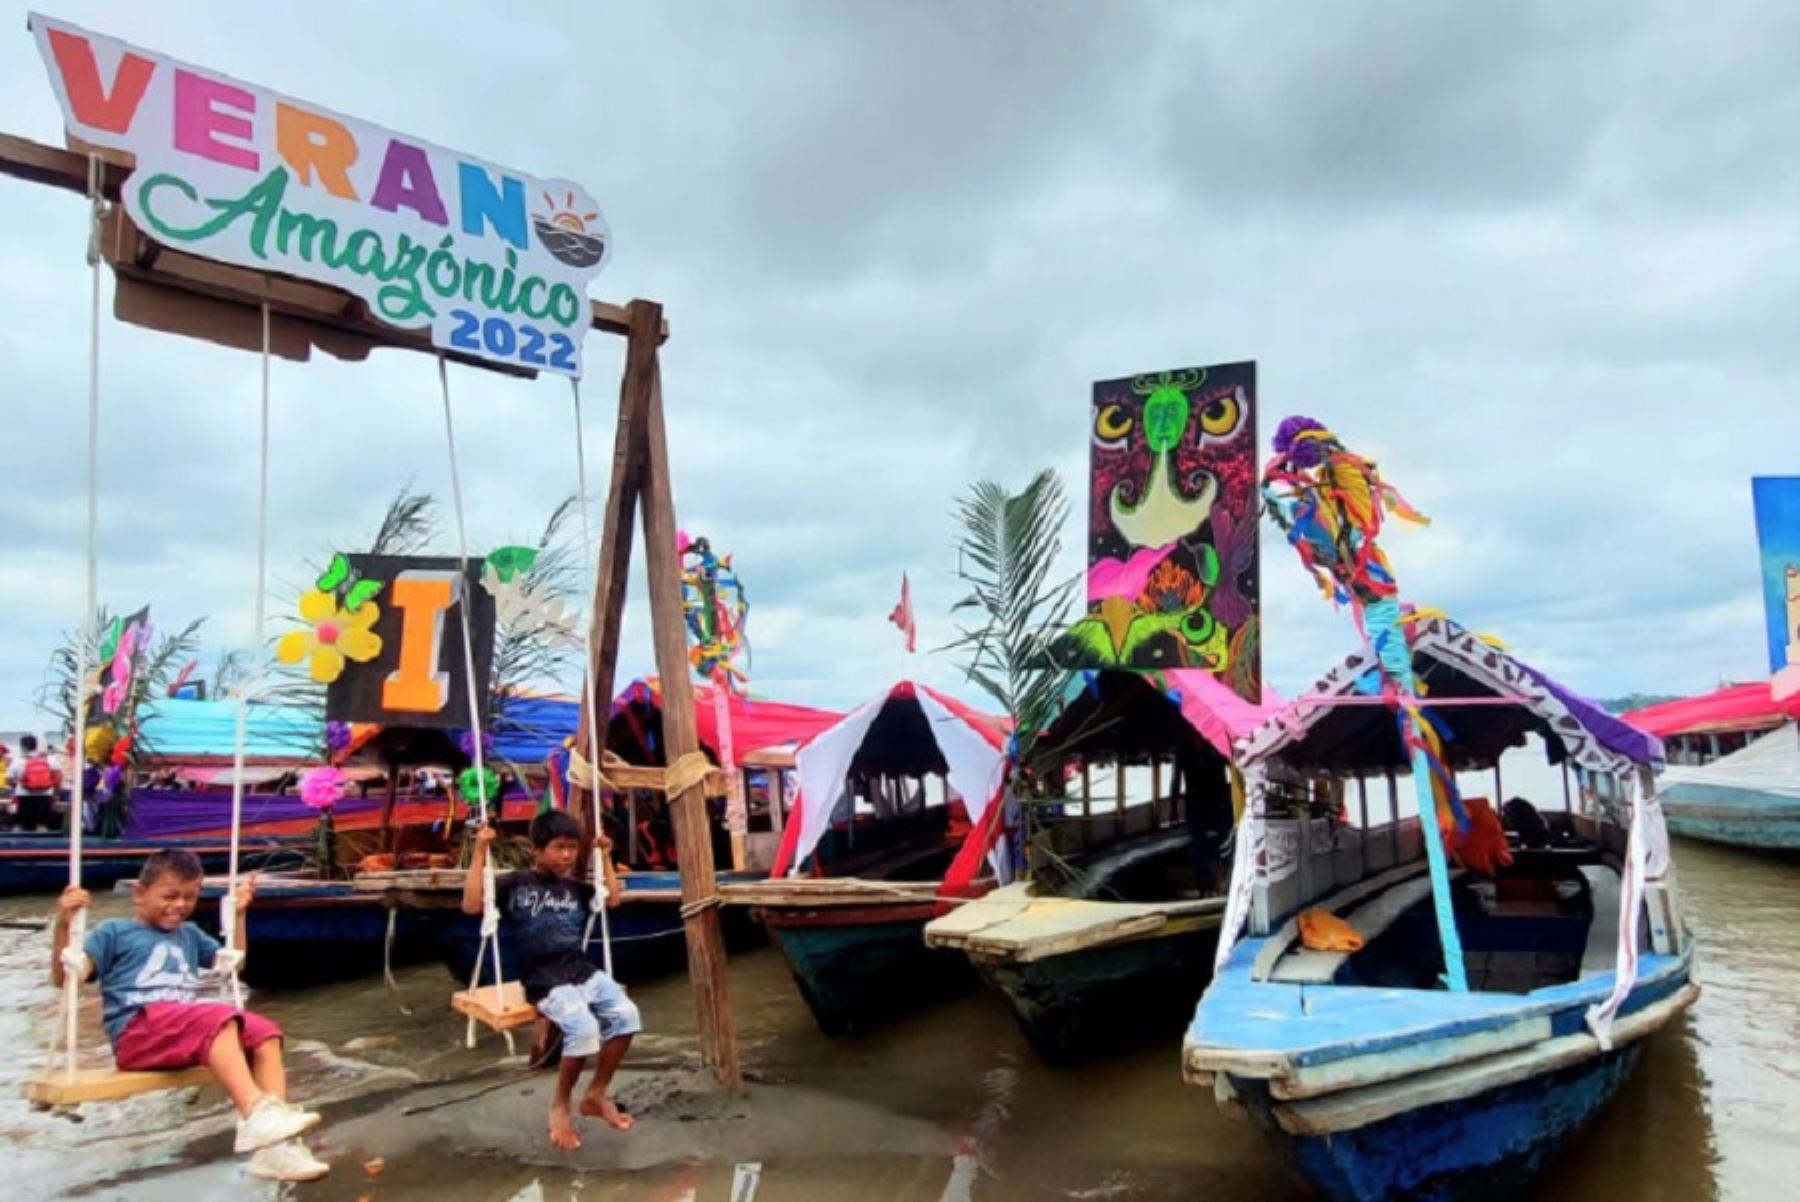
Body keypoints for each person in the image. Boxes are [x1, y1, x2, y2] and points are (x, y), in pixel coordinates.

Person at [52, 849, 330, 1182]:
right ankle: (257, 1112)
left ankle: (275, 1150)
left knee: (264, 1032)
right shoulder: (114, 932)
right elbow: (65, 978)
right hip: (137, 1033)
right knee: (214, 1017)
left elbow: (232, 965)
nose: (180, 905)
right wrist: (63, 924)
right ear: (140, 894)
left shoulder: (190, 934)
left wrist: (239, 915)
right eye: (170, 896)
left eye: (190, 897)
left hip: (180, 1032)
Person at [463, 811, 635, 1151]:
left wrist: (606, 856)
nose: (568, 855)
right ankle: (560, 1105)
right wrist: (481, 851)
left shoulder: (575, 888)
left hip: (579, 968)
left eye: (572, 848)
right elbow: (471, 905)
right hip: (543, 976)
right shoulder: (515, 884)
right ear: (537, 850)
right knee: (583, 1029)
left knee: (627, 1016)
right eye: (559, 848)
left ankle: (596, 1095)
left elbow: (612, 899)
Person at [14, 734, 63, 833]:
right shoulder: (49, 759)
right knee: (42, 825)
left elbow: (10, 778)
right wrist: (56, 792)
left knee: (21, 825)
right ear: (36, 745)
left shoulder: (18, 760)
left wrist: (18, 782)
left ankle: (18, 844)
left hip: (23, 794)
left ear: (22, 746)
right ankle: (45, 843)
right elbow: (58, 776)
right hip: (45, 794)